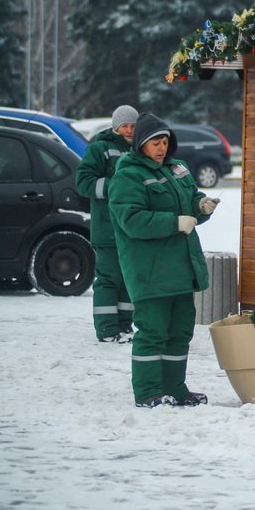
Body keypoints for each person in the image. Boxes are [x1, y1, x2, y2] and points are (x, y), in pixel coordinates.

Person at [109, 113, 219, 408]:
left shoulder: (176, 168)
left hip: (182, 268)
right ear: (141, 144)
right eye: (155, 142)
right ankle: (148, 392)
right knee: (153, 331)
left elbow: (190, 198)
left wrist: (201, 205)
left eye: (165, 142)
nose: (161, 148)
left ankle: (175, 389)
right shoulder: (128, 176)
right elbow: (131, 220)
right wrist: (174, 223)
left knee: (180, 331)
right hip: (151, 271)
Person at [75, 105, 138, 343]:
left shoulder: (140, 149)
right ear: (115, 127)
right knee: (109, 280)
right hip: (107, 228)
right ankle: (108, 330)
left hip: (131, 229)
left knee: (127, 279)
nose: (129, 130)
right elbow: (83, 182)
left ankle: (124, 326)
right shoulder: (100, 149)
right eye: (124, 126)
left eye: (133, 126)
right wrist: (116, 187)